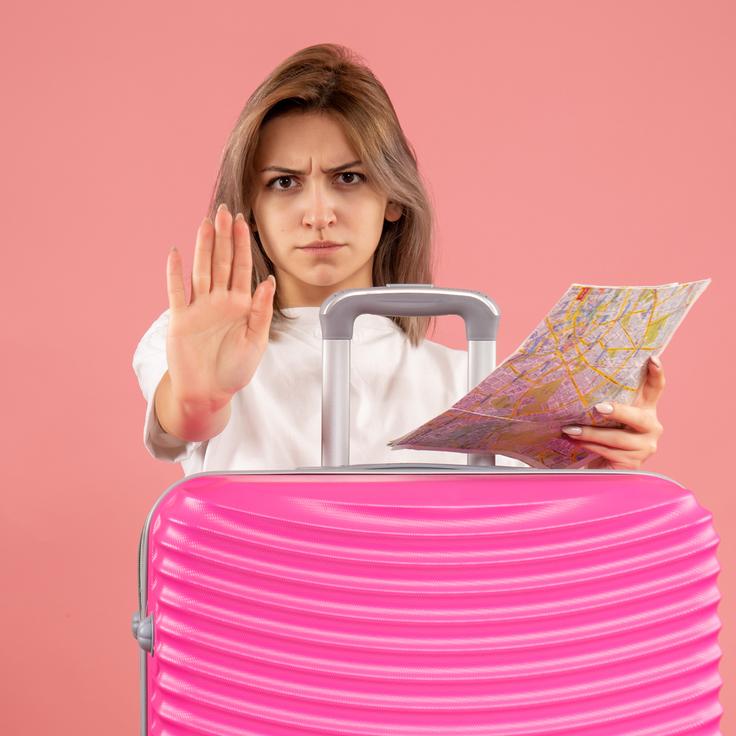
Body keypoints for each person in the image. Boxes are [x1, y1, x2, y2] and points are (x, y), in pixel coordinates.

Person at [132, 43, 666, 475]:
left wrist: (597, 453)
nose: (318, 214)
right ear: (251, 204)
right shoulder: (196, 342)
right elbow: (181, 425)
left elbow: (521, 537)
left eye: (348, 178)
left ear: (392, 196)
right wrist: (199, 398)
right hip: (251, 609)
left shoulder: (472, 386)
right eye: (285, 182)